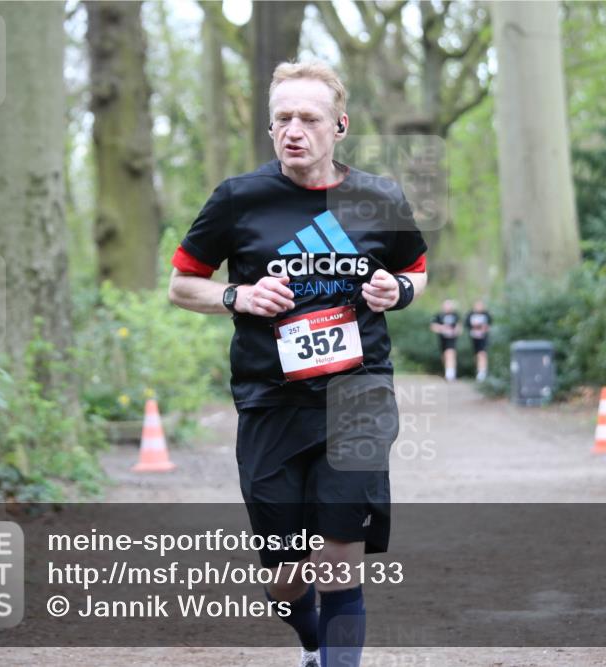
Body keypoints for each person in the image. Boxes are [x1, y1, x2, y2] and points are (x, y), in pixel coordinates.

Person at [168, 60, 427, 667]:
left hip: (357, 395)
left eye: (309, 118)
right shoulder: (239, 200)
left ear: (339, 126)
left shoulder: (379, 198)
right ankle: (311, 642)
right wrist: (238, 296)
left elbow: (415, 270)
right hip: (271, 401)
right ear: (269, 127)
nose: (293, 130)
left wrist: (397, 291)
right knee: (286, 575)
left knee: (339, 558)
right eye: (282, 118)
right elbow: (181, 285)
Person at [429, 299, 461, 381]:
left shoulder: (455, 315)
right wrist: (442, 328)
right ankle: (448, 371)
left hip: (452, 339)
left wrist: (455, 331)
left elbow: (459, 327)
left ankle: (450, 374)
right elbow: (433, 326)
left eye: (449, 305)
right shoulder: (438, 315)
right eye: (446, 305)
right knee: (444, 356)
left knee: (450, 353)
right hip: (442, 339)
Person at [465, 300, 492, 381]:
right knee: (477, 355)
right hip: (474, 338)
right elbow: (467, 325)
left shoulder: (486, 314)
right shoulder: (470, 314)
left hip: (483, 338)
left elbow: (489, 326)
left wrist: (484, 329)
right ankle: (478, 370)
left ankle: (482, 372)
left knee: (482, 354)